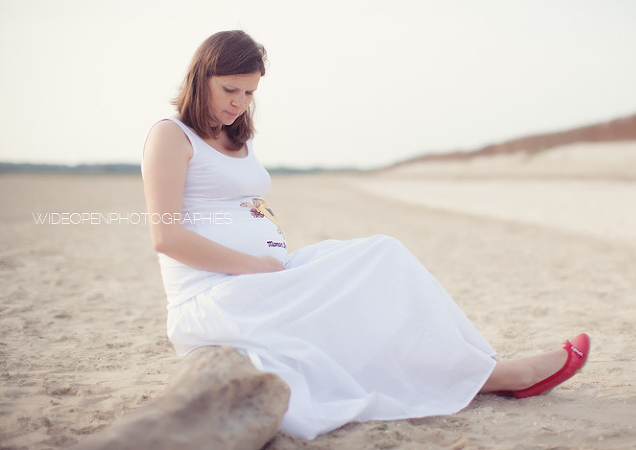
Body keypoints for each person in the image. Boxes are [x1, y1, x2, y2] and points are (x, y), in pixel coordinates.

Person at [141, 30, 590, 440]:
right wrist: (255, 263)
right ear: (202, 77)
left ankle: (482, 367)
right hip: (213, 295)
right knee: (351, 297)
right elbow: (167, 238)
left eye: (250, 92)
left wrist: (265, 255)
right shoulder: (171, 135)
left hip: (261, 276)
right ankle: (499, 378)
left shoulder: (236, 137)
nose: (239, 102)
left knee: (383, 255)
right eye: (230, 89)